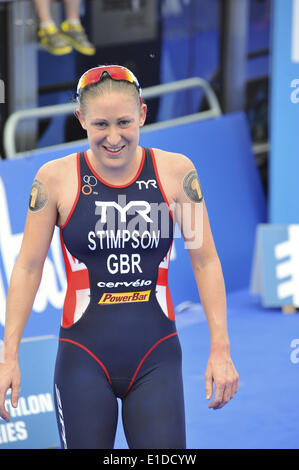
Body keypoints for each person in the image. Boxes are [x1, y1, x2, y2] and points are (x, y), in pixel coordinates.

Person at [0, 65, 238, 449]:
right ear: (81, 120)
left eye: (124, 122)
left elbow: (205, 261)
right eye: (100, 125)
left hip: (156, 356)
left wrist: (221, 349)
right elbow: (28, 267)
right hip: (83, 358)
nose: (113, 137)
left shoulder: (176, 173)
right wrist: (8, 356)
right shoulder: (55, 179)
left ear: (143, 113)